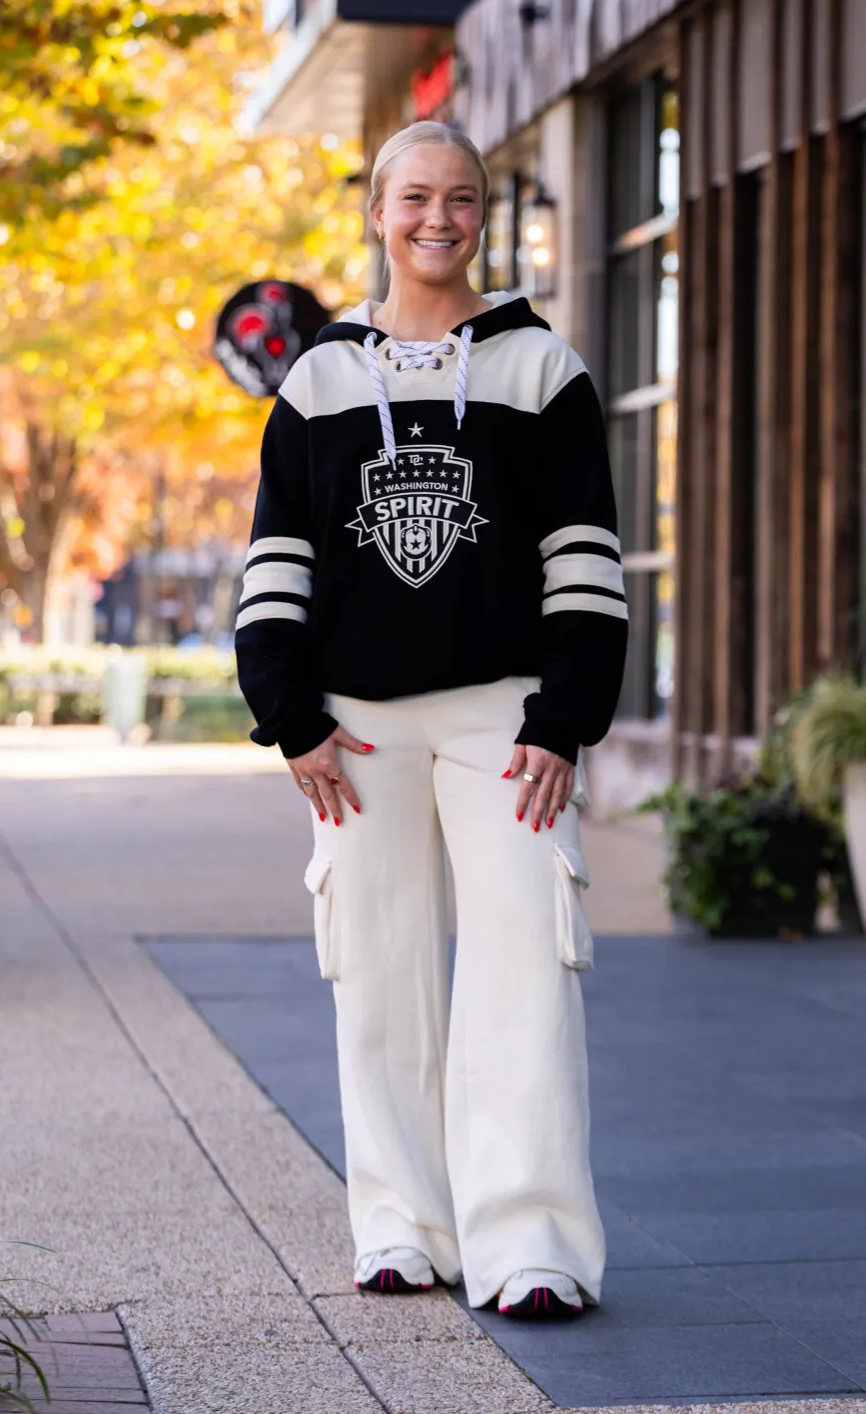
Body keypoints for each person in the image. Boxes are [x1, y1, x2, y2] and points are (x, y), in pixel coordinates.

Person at [236, 121, 628, 1320]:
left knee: (523, 971)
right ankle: (402, 1227)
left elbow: (585, 566)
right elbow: (274, 566)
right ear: (377, 208)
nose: (438, 220)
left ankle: (531, 1246)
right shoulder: (318, 379)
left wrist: (564, 719)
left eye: (460, 199)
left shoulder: (542, 369)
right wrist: (288, 715)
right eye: (416, 197)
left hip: (506, 722)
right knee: (383, 977)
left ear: (481, 213)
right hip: (353, 730)